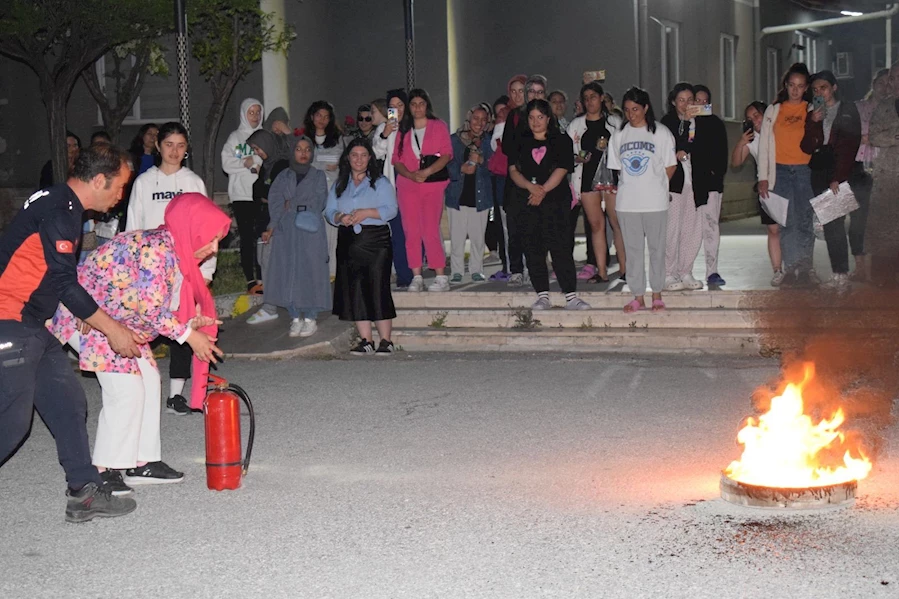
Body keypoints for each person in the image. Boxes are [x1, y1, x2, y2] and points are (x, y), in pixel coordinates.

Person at [0, 143, 141, 522]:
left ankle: (83, 493)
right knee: (11, 427)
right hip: (8, 319)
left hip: (32, 323)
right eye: (119, 186)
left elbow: (48, 271)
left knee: (67, 402)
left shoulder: (61, 204)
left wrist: (73, 309)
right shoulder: (61, 210)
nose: (120, 195)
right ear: (98, 180)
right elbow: (63, 279)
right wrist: (112, 330)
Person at [49, 193, 227, 493]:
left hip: (118, 319)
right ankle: (105, 469)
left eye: (218, 240)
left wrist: (189, 325)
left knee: (148, 378)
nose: (213, 249)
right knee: (126, 389)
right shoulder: (157, 250)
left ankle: (141, 462)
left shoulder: (173, 249)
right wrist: (188, 336)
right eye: (210, 238)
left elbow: (152, 304)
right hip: (89, 317)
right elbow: (150, 310)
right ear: (191, 228)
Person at [126, 121, 210, 415]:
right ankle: (139, 387)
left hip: (185, 269)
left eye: (181, 145)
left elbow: (207, 229)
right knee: (143, 329)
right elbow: (132, 227)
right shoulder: (144, 183)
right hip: (150, 271)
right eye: (169, 144)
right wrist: (131, 270)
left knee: (182, 329)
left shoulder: (193, 183)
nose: (175, 151)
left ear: (187, 150)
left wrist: (206, 273)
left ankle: (175, 395)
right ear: (159, 146)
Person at [508, 99, 589, 311]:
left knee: (561, 247)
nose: (536, 122)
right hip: (527, 201)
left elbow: (562, 168)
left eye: (540, 117)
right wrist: (530, 188)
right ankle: (542, 295)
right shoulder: (520, 140)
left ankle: (570, 295)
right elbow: (513, 170)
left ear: (548, 118)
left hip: (555, 201)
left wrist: (542, 190)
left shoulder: (561, 140)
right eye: (532, 117)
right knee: (533, 248)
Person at [248, 136, 331, 337]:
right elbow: (275, 204)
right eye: (299, 149)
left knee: (310, 271)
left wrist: (291, 204)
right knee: (288, 271)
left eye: (307, 149)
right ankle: (295, 317)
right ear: (292, 152)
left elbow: (319, 201)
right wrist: (271, 228)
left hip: (309, 227)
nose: (303, 153)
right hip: (286, 229)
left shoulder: (318, 175)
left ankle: (310, 317)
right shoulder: (283, 176)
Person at [607, 87, 678, 313]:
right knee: (633, 250)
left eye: (635, 109)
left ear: (646, 108)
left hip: (655, 202)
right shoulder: (619, 135)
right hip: (627, 204)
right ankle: (638, 295)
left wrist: (656, 186)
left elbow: (670, 166)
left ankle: (657, 294)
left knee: (657, 249)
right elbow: (617, 169)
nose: (631, 114)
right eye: (627, 110)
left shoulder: (661, 133)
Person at [326, 139, 399, 354]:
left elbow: (391, 210)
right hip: (349, 241)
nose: (359, 159)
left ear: (370, 158)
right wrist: (340, 216)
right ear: (348, 158)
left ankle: (386, 340)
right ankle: (366, 340)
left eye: (363, 155)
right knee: (355, 289)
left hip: (376, 241)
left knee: (378, 286)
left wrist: (367, 213)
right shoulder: (340, 184)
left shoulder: (381, 182)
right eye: (354, 155)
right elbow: (328, 211)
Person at [801, 70, 862, 294]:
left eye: (823, 88)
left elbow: (849, 145)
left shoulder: (847, 109)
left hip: (840, 169)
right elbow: (807, 146)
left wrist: (839, 177)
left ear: (834, 88)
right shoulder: (813, 111)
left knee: (836, 226)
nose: (819, 93)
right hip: (819, 169)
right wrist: (813, 122)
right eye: (815, 90)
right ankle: (838, 275)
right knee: (829, 225)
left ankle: (842, 276)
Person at [758, 63, 816, 288]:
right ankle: (791, 268)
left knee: (805, 221)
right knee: (787, 222)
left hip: (805, 171)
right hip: (780, 172)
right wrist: (763, 177)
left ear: (806, 88)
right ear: (785, 86)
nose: (795, 90)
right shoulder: (774, 111)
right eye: (791, 85)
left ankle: (806, 269)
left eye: (800, 86)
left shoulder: (812, 110)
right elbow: (764, 145)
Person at [392, 88, 453, 292]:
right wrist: (410, 175)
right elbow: (396, 161)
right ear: (409, 108)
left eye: (421, 103)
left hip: (432, 184)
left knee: (430, 228)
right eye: (413, 104)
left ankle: (440, 275)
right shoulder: (402, 129)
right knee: (411, 231)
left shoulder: (438, 126)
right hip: (407, 185)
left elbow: (446, 154)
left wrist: (427, 171)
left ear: (427, 105)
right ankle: (416, 276)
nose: (417, 108)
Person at [568, 81, 624, 284]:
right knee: (595, 225)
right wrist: (577, 158)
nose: (590, 101)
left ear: (602, 98)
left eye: (594, 96)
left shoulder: (615, 122)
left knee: (617, 223)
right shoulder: (576, 125)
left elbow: (624, 149)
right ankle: (601, 271)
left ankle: (625, 270)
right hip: (586, 180)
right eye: (586, 98)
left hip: (612, 179)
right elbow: (567, 154)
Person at [499, 74, 546, 286]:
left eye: (539, 92)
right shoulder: (516, 116)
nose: (534, 95)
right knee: (515, 227)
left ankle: (535, 267)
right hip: (517, 180)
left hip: (543, 181)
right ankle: (516, 269)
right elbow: (508, 147)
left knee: (538, 227)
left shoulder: (549, 117)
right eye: (531, 92)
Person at [732, 101, 784, 285]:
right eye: (750, 118)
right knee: (773, 229)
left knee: (791, 228)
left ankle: (799, 267)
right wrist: (741, 143)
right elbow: (736, 162)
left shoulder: (780, 131)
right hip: (766, 188)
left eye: (757, 115)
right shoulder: (752, 140)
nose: (754, 120)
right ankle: (777, 270)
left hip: (787, 183)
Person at [660, 83, 704, 291]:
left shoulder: (702, 121)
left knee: (692, 229)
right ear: (673, 102)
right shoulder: (667, 123)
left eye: (690, 100)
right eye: (681, 100)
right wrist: (685, 124)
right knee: (671, 230)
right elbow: (674, 146)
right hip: (673, 184)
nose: (686, 104)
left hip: (695, 184)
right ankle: (668, 274)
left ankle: (686, 270)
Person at [221, 97, 265, 293]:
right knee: (247, 237)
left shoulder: (265, 136)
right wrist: (245, 164)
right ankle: (251, 279)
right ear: (243, 114)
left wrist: (254, 161)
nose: (255, 116)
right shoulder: (236, 137)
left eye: (257, 112)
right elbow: (226, 164)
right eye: (251, 112)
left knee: (261, 236)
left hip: (261, 195)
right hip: (241, 195)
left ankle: (264, 276)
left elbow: (265, 161)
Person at [851, 68, 890, 282]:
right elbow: (845, 133)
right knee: (858, 219)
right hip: (858, 167)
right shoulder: (858, 108)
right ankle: (859, 268)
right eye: (881, 83)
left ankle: (880, 268)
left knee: (882, 220)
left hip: (884, 167)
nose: (884, 87)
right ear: (873, 83)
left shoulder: (892, 109)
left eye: (888, 83)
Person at [447, 105, 494, 283]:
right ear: (468, 118)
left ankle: (477, 269)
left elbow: (495, 166)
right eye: (476, 118)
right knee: (457, 237)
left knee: (477, 238)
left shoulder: (489, 141)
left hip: (481, 197)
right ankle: (456, 271)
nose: (479, 123)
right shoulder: (454, 140)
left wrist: (481, 160)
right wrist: (460, 169)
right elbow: (446, 164)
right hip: (457, 195)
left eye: (483, 120)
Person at [372, 89, 414, 290]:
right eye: (392, 107)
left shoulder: (414, 126)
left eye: (400, 105)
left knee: (414, 230)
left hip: (413, 182)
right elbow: (376, 153)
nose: (396, 110)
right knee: (397, 231)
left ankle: (416, 271)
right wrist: (385, 133)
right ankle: (404, 275)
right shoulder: (383, 127)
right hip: (393, 183)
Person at [691, 85, 729, 287]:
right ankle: (681, 272)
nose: (701, 104)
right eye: (697, 100)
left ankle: (712, 271)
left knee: (711, 228)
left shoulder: (715, 124)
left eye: (705, 101)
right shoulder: (683, 123)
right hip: (687, 186)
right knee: (686, 230)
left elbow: (722, 155)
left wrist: (716, 175)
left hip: (710, 186)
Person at [865, 60, 899, 286]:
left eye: (895, 78)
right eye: (891, 78)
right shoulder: (884, 107)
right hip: (888, 173)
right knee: (884, 227)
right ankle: (883, 277)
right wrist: (894, 138)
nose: (892, 82)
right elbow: (873, 135)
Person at [304, 100, 345, 280]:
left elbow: (338, 162)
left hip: (332, 190)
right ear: (312, 116)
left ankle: (332, 272)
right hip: (310, 191)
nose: (322, 120)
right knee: (312, 230)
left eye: (326, 117)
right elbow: (303, 163)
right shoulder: (303, 138)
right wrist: (322, 164)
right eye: (319, 115)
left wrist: (317, 163)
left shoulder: (337, 139)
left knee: (332, 230)